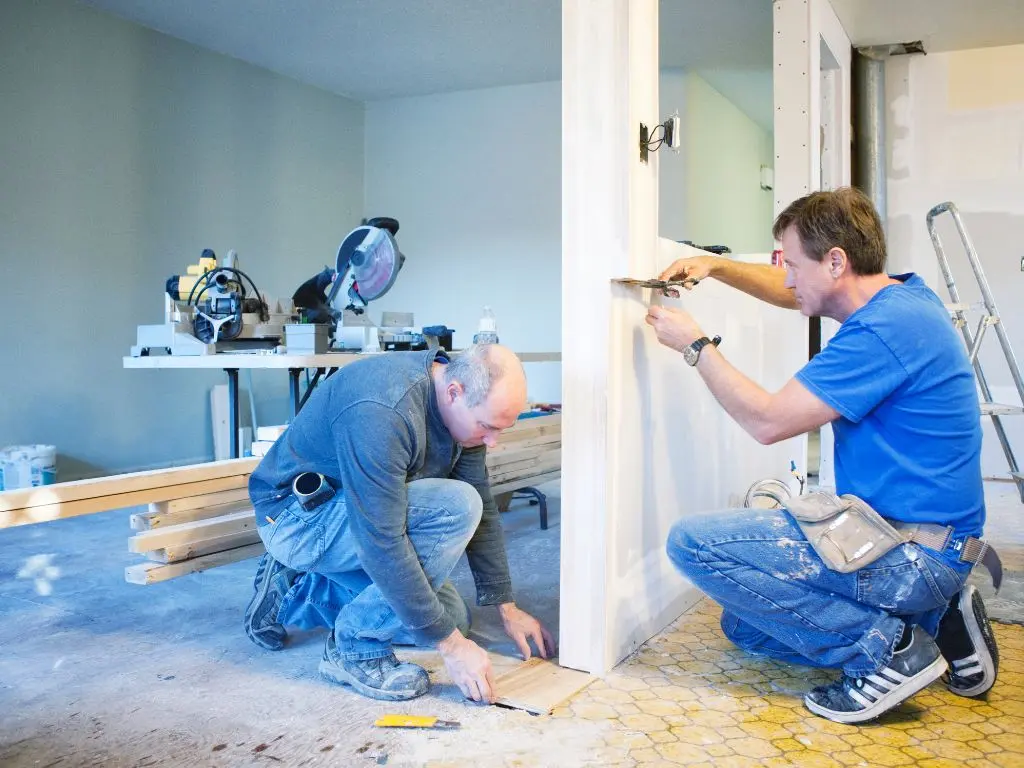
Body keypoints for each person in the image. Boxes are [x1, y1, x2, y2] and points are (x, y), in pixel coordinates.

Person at [645, 187, 1000, 724]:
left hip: (910, 549)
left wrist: (696, 345)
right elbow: (800, 292)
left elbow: (767, 422)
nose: (786, 278)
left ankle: (891, 649)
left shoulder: (882, 332)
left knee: (692, 544)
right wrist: (716, 266)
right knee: (743, 625)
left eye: (791, 264)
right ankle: (935, 620)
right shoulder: (901, 299)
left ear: (836, 261)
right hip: (914, 535)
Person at [243, 343, 555, 703]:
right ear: (455, 392)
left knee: (451, 616)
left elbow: (483, 505)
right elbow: (381, 540)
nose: (493, 442)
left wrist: (506, 606)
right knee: (455, 507)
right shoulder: (382, 409)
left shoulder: (463, 411)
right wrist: (452, 648)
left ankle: (298, 589)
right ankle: (353, 648)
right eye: (487, 427)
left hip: (354, 514)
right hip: (297, 519)